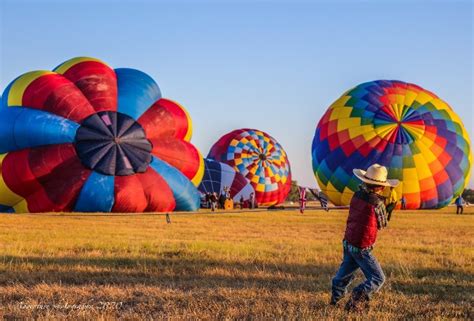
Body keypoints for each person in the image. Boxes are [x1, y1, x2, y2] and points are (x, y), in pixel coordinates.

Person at [330, 164, 399, 312]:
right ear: (380, 187)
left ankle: (336, 299)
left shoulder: (356, 195)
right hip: (362, 246)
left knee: (345, 273)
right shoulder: (377, 203)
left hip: (349, 241)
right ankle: (357, 296)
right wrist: (388, 209)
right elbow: (382, 224)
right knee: (378, 278)